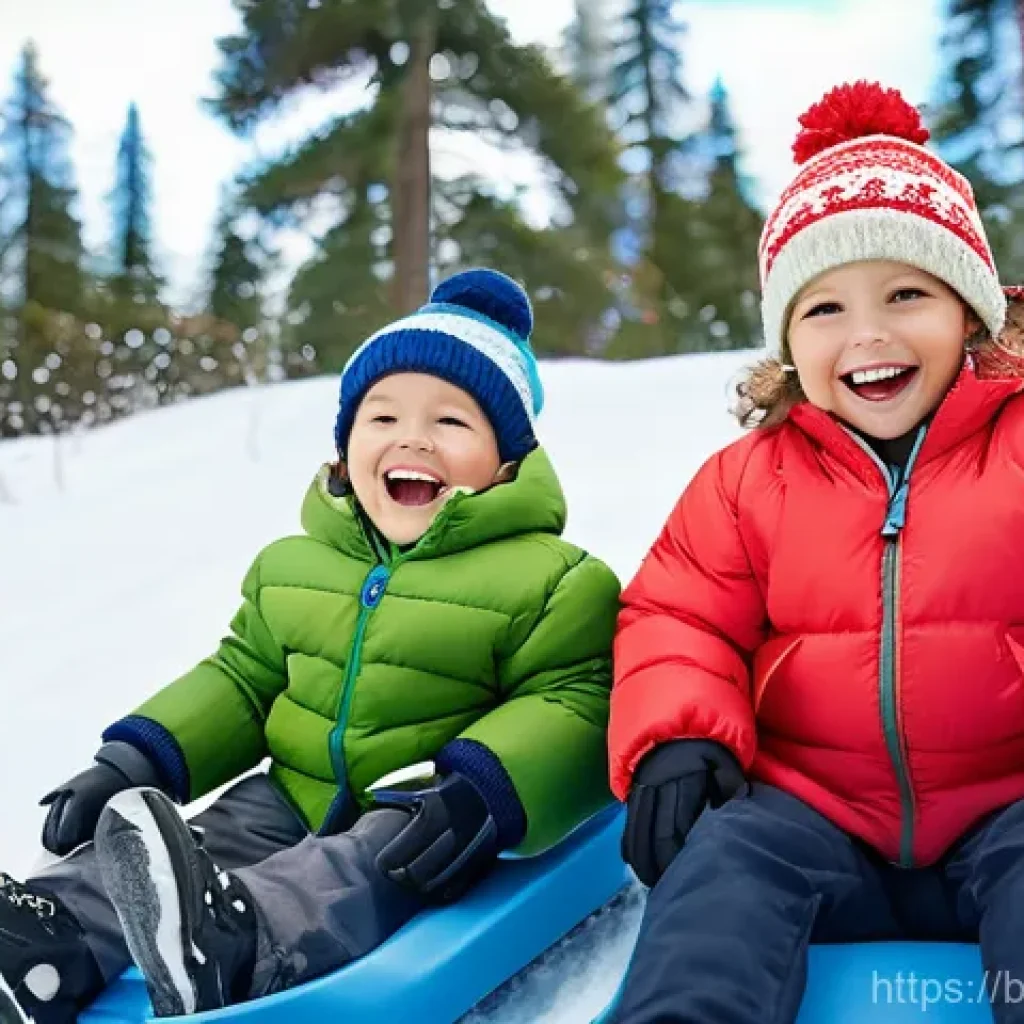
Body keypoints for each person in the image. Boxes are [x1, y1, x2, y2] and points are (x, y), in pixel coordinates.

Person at [0, 268, 620, 1023]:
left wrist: (481, 787)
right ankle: (43, 942)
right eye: (381, 416)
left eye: (452, 422)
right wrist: (137, 756)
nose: (412, 437)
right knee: (192, 847)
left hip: (423, 813)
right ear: (344, 448)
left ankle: (240, 945)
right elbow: (241, 679)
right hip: (290, 792)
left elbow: (577, 703)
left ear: (508, 462)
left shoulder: (555, 578)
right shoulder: (294, 567)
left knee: (347, 874)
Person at [607, 80, 1024, 1023]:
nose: (867, 333)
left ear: (970, 312)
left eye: (907, 293)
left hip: (1009, 808)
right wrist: (679, 731)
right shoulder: (749, 480)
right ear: (788, 341)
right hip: (811, 815)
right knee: (724, 867)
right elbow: (678, 616)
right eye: (824, 308)